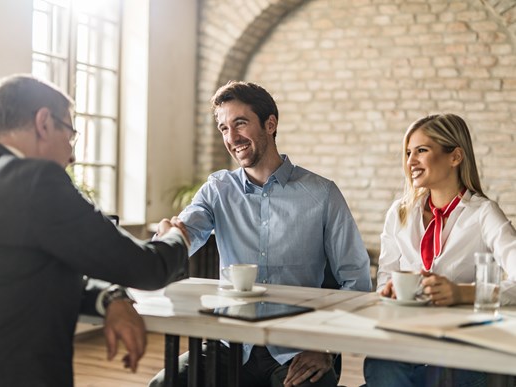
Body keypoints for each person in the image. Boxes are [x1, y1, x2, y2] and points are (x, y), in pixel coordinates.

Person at [149, 80, 372, 387]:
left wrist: (326, 346)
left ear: (270, 124)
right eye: (224, 128)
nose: (232, 137)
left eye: (240, 123)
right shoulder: (217, 189)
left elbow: (356, 281)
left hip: (297, 348)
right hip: (228, 342)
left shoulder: (322, 194)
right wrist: (170, 237)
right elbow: (186, 233)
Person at [0, 74, 190, 387]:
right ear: (43, 122)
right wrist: (176, 237)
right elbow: (147, 269)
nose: (73, 154)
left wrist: (110, 296)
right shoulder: (37, 181)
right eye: (70, 133)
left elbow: (23, 273)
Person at [363, 113, 516, 387]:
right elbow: (386, 277)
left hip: (464, 344)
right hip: (406, 338)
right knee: (380, 365)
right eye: (408, 152)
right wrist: (389, 289)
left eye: (422, 150)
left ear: (455, 156)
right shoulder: (399, 213)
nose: (410, 161)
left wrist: (462, 293)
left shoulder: (483, 213)